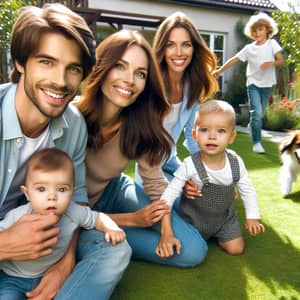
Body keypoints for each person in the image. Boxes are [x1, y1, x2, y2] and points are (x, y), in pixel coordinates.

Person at [0, 4, 131, 300]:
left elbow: (78, 197)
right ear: (21, 62)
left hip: (50, 240)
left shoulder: (73, 125)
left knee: (116, 250)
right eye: (47, 62)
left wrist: (64, 263)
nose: (61, 81)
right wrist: (6, 244)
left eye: (73, 68)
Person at [77, 29, 208, 267]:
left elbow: (156, 184)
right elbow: (65, 211)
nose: (129, 80)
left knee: (193, 250)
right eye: (120, 66)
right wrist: (132, 220)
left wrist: (167, 231)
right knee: (103, 241)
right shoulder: (73, 118)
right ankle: (107, 238)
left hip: (115, 190)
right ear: (102, 68)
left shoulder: (139, 123)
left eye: (140, 73)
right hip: (81, 215)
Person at [0, 148, 125, 298]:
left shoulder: (73, 212)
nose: (52, 197)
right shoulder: (18, 217)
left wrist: (111, 227)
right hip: (12, 278)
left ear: (72, 191)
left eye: (61, 189)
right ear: (27, 193)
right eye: (41, 189)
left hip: (48, 274)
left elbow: (97, 217)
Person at [157, 100, 265, 257]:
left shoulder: (235, 162)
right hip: (193, 220)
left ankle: (220, 236)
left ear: (231, 137)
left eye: (221, 131)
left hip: (224, 220)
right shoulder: (190, 164)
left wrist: (253, 217)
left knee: (236, 249)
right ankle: (197, 236)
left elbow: (247, 189)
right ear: (194, 135)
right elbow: (171, 192)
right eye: (205, 130)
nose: (212, 136)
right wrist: (165, 219)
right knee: (187, 249)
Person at [137, 11, 218, 181]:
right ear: (162, 48)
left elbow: (192, 136)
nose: (179, 52)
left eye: (186, 44)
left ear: (194, 48)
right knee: (172, 205)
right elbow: (143, 142)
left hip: (171, 160)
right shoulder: (151, 86)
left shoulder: (192, 89)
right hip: (148, 167)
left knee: (208, 191)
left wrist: (205, 174)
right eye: (170, 44)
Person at [213, 12, 284, 154]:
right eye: (255, 30)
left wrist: (271, 63)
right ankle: (257, 143)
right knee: (256, 112)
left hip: (267, 84)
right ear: (252, 32)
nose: (258, 32)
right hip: (252, 83)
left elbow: (281, 61)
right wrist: (220, 71)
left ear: (267, 30)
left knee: (260, 113)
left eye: (261, 29)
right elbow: (234, 59)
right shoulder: (249, 48)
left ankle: (252, 126)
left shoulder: (272, 44)